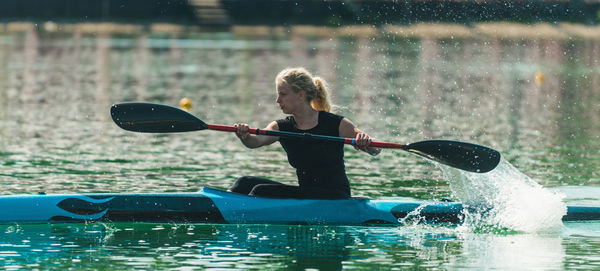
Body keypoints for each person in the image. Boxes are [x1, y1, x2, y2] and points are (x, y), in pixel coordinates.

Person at [228, 67, 381, 199]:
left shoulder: (335, 123)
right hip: (306, 193)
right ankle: (219, 205)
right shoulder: (281, 127)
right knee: (244, 182)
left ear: (301, 95)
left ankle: (236, 212)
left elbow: (376, 149)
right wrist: (244, 135)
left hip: (335, 195)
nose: (277, 100)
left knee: (260, 191)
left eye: (283, 94)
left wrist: (366, 143)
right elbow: (255, 142)